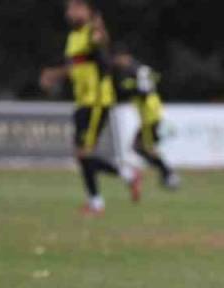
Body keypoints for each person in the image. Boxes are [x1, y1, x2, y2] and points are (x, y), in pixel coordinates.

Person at [39, 0, 141, 216]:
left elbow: (101, 43)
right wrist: (53, 75)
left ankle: (102, 197)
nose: (71, 12)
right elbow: (73, 67)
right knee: (82, 155)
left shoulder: (92, 31)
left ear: (88, 11)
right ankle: (118, 183)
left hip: (97, 100)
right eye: (69, 8)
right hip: (82, 100)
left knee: (84, 153)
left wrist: (99, 27)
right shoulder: (73, 37)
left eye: (77, 7)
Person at [110, 44, 179, 191]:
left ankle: (168, 174)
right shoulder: (135, 70)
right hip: (149, 115)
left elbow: (145, 91)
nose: (116, 63)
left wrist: (128, 91)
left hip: (150, 115)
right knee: (142, 147)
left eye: (117, 59)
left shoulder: (136, 70)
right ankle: (167, 174)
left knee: (142, 147)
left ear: (124, 57)